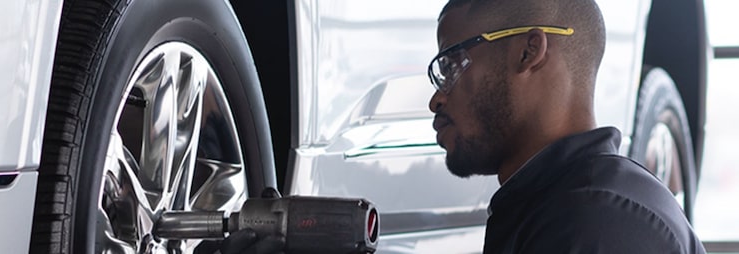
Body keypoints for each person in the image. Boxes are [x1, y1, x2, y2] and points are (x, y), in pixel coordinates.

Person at [223, 0, 705, 253]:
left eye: (453, 64)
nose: (437, 96)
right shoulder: (558, 204)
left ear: (528, 51)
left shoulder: (599, 224)